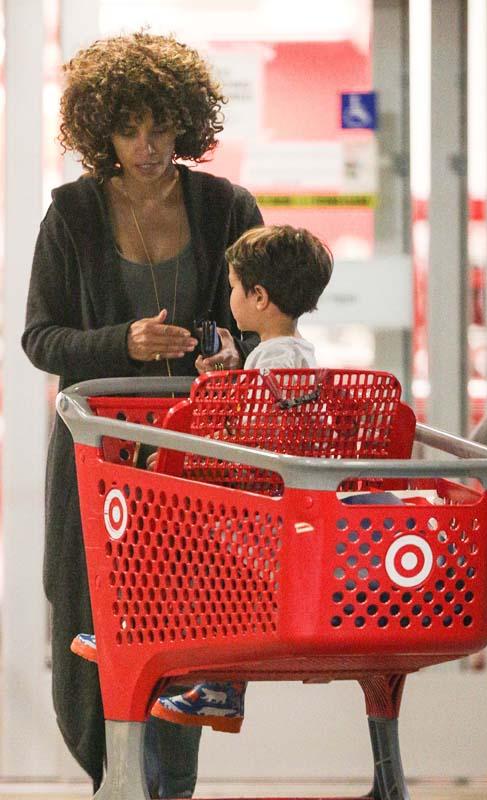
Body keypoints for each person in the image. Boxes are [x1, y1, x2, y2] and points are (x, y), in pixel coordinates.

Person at [21, 31, 262, 799]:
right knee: (95, 620)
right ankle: (114, 782)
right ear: (102, 131)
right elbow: (40, 337)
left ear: (186, 124)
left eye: (161, 127)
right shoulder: (71, 215)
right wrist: (119, 341)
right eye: (130, 129)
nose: (149, 146)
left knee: (189, 628)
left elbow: (266, 319)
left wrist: (230, 348)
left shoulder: (226, 206)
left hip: (197, 459)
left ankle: (172, 788)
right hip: (101, 462)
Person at [149, 223, 333, 732]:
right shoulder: (297, 354)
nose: (229, 296)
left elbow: (256, 439)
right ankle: (211, 679)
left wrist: (214, 407)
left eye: (233, 286)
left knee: (178, 537)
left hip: (258, 519)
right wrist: (233, 374)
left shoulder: (273, 359)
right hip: (283, 516)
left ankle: (153, 638)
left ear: (258, 296)